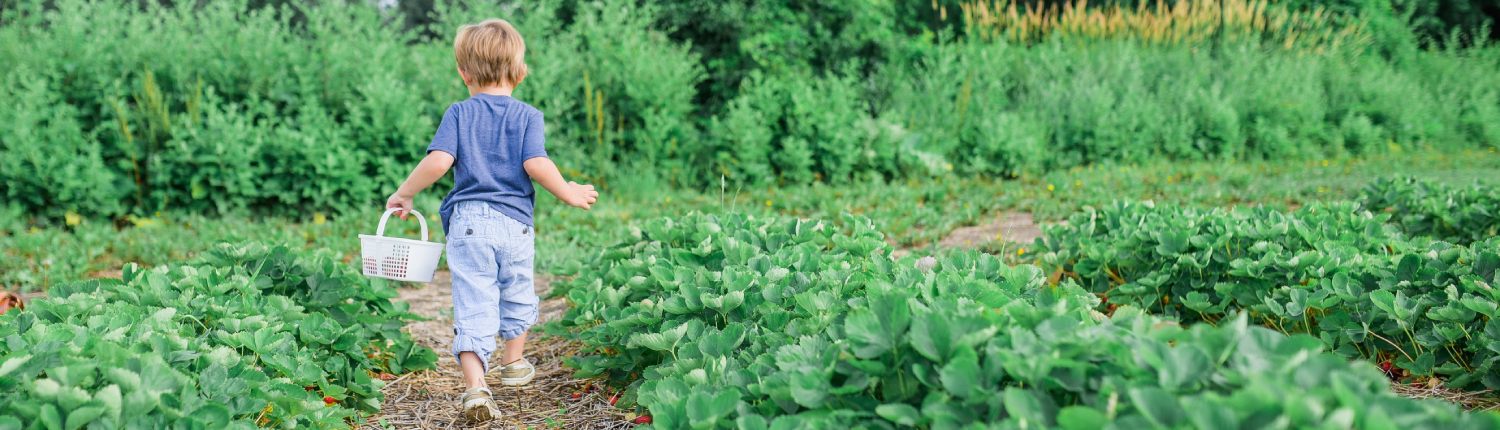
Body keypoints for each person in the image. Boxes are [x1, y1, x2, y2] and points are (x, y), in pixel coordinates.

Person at [384, 18, 599, 422]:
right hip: (515, 224)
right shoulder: (528, 116)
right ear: (520, 72)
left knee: (473, 302)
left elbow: (439, 161)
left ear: (463, 73)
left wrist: (406, 191)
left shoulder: (459, 113)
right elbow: (536, 163)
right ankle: (514, 362)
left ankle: (475, 388)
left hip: (469, 225)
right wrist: (568, 191)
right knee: (518, 289)